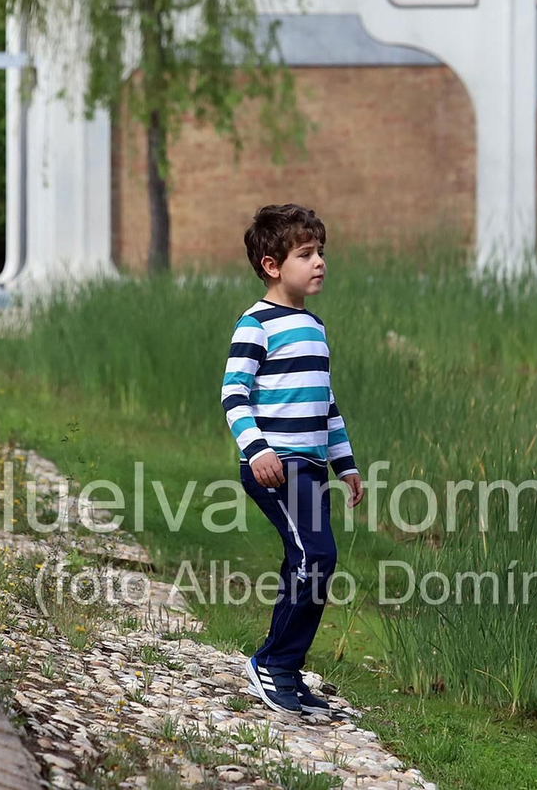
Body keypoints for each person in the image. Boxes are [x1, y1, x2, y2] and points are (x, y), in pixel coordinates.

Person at [222, 204, 366, 716]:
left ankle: (285, 667)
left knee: (306, 561)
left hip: (311, 466)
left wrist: (345, 463)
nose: (319, 262)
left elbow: (327, 404)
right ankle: (272, 664)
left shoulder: (314, 326)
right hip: (276, 465)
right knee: (317, 557)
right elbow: (233, 394)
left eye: (320, 252)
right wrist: (257, 449)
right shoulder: (256, 325)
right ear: (272, 265)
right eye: (306, 254)